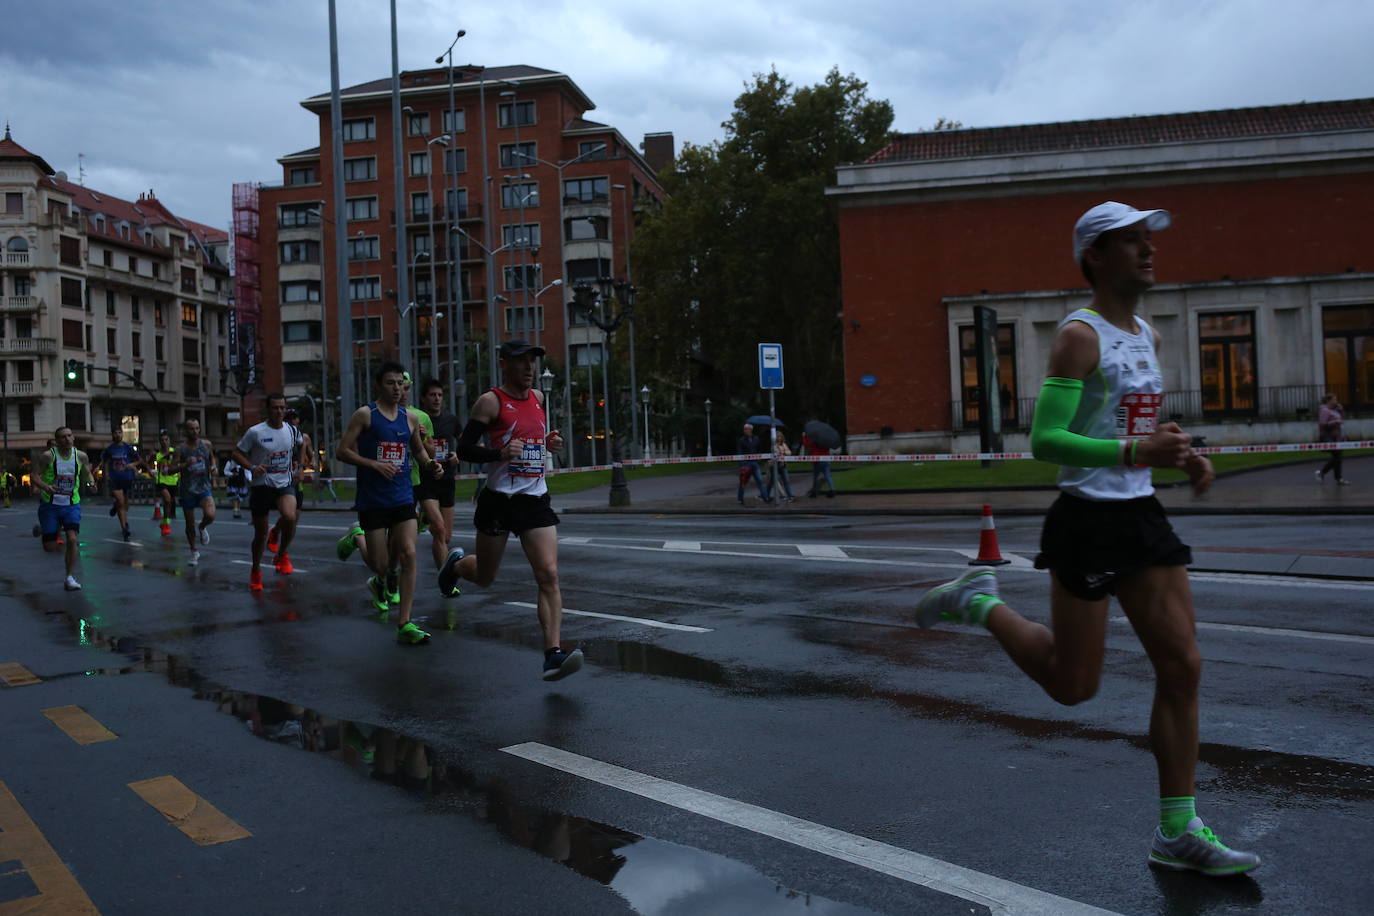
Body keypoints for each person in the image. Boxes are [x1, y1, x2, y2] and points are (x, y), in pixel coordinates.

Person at [913, 201, 1260, 876]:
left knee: (1184, 665)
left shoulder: (1150, 336)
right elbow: (1046, 440)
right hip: (1086, 521)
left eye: (1148, 240)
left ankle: (1176, 829)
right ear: (1095, 257)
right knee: (1075, 688)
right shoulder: (1080, 335)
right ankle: (979, 601)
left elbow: (1132, 423)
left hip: (1141, 516)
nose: (1148, 251)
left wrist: (1180, 453)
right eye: (1130, 243)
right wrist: (1138, 452)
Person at [437, 339, 581, 680]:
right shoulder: (490, 401)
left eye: (533, 361)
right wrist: (498, 454)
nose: (529, 368)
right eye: (521, 362)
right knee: (485, 576)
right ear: (504, 364)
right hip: (499, 501)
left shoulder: (539, 399)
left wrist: (550, 443)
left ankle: (553, 654)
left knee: (549, 574)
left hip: (534, 500)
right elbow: (466, 448)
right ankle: (456, 566)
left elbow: (535, 438)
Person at [337, 361, 443, 645]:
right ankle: (357, 537)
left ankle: (405, 622)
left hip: (402, 496)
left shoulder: (410, 419)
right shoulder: (365, 415)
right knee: (381, 566)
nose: (397, 388)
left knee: (409, 554)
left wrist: (432, 465)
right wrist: (373, 464)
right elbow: (342, 451)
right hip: (373, 500)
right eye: (390, 383)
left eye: (400, 383)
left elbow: (419, 452)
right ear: (378, 386)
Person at [231, 393, 303, 591]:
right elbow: (236, 453)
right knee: (260, 534)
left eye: (282, 408)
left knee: (290, 516)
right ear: (267, 410)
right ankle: (255, 570)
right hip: (262, 486)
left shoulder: (292, 430)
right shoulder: (255, 432)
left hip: (284, 483)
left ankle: (282, 553)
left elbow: (299, 447)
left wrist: (300, 466)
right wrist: (251, 467)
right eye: (275, 408)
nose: (279, 411)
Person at [32, 426, 95, 590]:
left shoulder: (81, 456)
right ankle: (43, 529)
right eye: (62, 437)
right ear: (57, 441)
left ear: (73, 438)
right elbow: (34, 475)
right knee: (50, 547)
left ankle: (69, 577)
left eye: (69, 436)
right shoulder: (48, 457)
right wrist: (45, 487)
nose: (67, 439)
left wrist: (92, 483)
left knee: (73, 539)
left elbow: (87, 472)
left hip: (71, 504)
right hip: (50, 505)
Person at [417, 378, 462, 576]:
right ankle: (446, 580)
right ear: (423, 399)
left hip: (447, 481)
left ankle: (422, 518)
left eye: (440, 395)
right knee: (440, 530)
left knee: (446, 537)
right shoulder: (418, 421)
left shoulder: (451, 421)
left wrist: (457, 455)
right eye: (432, 395)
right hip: (426, 481)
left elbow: (467, 444)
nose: (436, 399)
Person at [268, 408, 315, 554]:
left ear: (298, 420)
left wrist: (309, 462)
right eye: (289, 418)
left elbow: (310, 454)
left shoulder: (304, 437)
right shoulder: (280, 435)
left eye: (294, 418)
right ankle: (276, 534)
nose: (292, 421)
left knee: (295, 519)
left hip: (296, 480)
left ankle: (282, 549)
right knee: (289, 515)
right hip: (282, 480)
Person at [172, 417, 216, 566]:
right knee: (189, 524)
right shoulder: (181, 449)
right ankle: (193, 551)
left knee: (210, 515)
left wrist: (214, 467)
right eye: (191, 429)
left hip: (203, 487)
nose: (195, 431)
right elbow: (170, 469)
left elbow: (212, 457)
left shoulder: (206, 444)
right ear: (185, 431)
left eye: (197, 428)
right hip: (187, 490)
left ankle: (202, 527)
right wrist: (184, 464)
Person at [98, 427, 140, 540]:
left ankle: (115, 508)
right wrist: (104, 474)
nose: (117, 435)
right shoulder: (109, 449)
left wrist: (132, 465)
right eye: (115, 433)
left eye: (119, 432)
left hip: (126, 478)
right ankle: (124, 528)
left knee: (125, 505)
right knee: (121, 501)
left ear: (122, 434)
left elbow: (138, 460)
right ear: (112, 435)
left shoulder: (128, 447)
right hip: (114, 479)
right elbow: (104, 462)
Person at [1315, 393, 1349, 484]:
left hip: (1337, 437)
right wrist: (1335, 422)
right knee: (1337, 457)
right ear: (1328, 401)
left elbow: (1342, 419)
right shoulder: (1324, 410)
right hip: (1329, 437)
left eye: (1336, 399)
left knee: (1337, 457)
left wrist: (1341, 410)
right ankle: (1330, 475)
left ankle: (1335, 477)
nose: (1336, 401)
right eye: (1334, 400)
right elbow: (1322, 424)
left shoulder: (1335, 410)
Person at [151, 430, 179, 536]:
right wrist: (152, 472)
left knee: (169, 503)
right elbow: (149, 465)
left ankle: (164, 521)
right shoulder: (157, 455)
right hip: (161, 480)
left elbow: (179, 463)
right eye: (162, 440)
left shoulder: (175, 451)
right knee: (167, 499)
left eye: (166, 440)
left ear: (169, 440)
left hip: (173, 480)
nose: (164, 442)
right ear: (159, 442)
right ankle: (167, 525)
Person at [735, 422, 770, 505]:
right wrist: (742, 464)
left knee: (760, 481)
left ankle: (765, 497)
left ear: (751, 430)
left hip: (754, 463)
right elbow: (739, 452)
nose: (745, 430)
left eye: (747, 429)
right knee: (743, 482)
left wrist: (758, 459)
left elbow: (759, 449)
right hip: (746, 464)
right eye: (744, 429)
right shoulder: (741, 440)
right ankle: (740, 499)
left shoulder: (756, 439)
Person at [801, 429, 835, 498]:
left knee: (816, 477)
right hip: (826, 459)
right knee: (828, 476)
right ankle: (832, 490)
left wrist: (804, 436)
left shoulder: (815, 440)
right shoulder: (826, 440)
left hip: (817, 460)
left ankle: (814, 492)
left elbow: (806, 444)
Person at [768, 427, 795, 502]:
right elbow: (776, 453)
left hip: (783, 465)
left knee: (786, 481)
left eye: (780, 436)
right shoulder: (774, 445)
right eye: (778, 437)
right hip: (775, 465)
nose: (779, 438)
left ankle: (789, 495)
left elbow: (789, 453)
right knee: (772, 481)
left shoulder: (784, 444)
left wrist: (783, 453)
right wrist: (782, 453)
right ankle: (766, 495)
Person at [223, 454, 249, 519]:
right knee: (235, 497)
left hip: (241, 482)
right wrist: (232, 474)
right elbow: (226, 471)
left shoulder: (243, 463)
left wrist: (249, 478)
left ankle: (238, 510)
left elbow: (247, 471)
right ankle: (235, 511)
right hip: (233, 482)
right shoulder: (230, 462)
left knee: (239, 497)